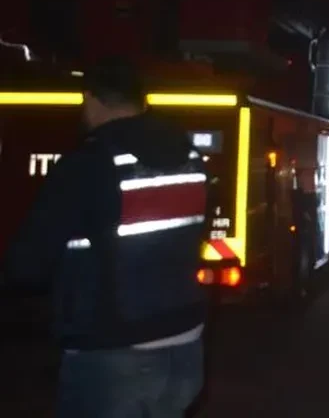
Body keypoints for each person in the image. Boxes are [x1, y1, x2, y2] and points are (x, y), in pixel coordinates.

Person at [4, 58, 209, 417]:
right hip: (185, 348)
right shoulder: (189, 157)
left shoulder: (89, 163)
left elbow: (28, 264)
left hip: (113, 353)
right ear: (142, 102)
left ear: (91, 99)